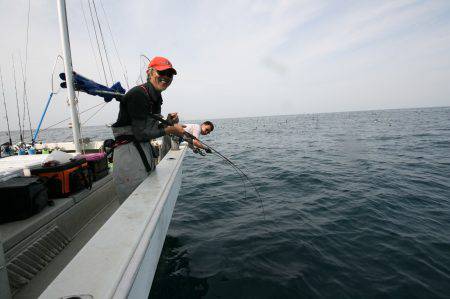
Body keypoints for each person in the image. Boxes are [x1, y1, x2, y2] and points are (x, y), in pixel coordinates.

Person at [111, 56, 185, 203]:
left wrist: (168, 122)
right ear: (150, 73)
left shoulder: (156, 96)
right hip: (129, 154)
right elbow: (140, 134)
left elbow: (150, 127)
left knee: (146, 196)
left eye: (169, 74)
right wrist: (169, 130)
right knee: (133, 202)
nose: (166, 77)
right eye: (161, 72)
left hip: (143, 150)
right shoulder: (138, 94)